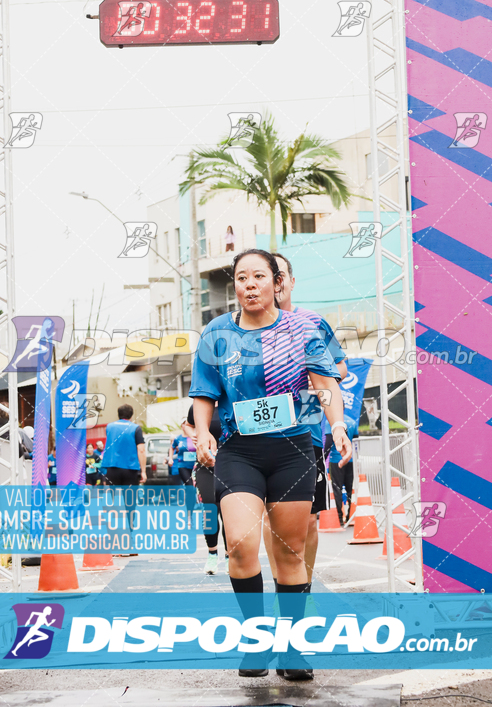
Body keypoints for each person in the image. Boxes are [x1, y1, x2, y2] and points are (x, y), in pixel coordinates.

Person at [190, 249, 352, 680]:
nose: (249, 284)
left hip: (292, 449)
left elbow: (325, 381)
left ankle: (293, 648)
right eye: (241, 277)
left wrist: (337, 425)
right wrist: (204, 431)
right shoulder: (216, 332)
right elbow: (203, 392)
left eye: (258, 276)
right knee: (241, 543)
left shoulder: (303, 329)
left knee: (289, 550)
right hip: (239, 449)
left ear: (276, 283)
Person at [262, 253, 348, 588]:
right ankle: (284, 587)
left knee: (309, 522)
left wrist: (315, 382)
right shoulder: (246, 326)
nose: (275, 282)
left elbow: (339, 367)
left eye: (279, 275)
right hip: (264, 436)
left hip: (307, 431)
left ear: (290, 281)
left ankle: (304, 588)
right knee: (274, 521)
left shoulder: (312, 322)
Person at [185, 403, 228, 575]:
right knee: (210, 509)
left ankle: (228, 557)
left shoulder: (231, 400)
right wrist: (194, 436)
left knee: (228, 513)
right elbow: (187, 424)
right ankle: (212, 554)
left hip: (231, 467)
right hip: (205, 466)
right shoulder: (198, 405)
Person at [101, 404, 147, 486]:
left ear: (118, 414)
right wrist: (143, 471)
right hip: (130, 469)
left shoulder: (109, 427)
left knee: (115, 497)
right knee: (130, 498)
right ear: (131, 415)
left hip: (112, 468)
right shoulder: (136, 428)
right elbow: (141, 450)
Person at [324, 413, 358, 525]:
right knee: (349, 488)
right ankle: (350, 516)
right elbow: (356, 439)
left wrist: (322, 459)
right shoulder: (352, 421)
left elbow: (329, 442)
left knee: (337, 488)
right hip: (350, 459)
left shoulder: (331, 422)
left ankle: (339, 517)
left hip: (336, 459)